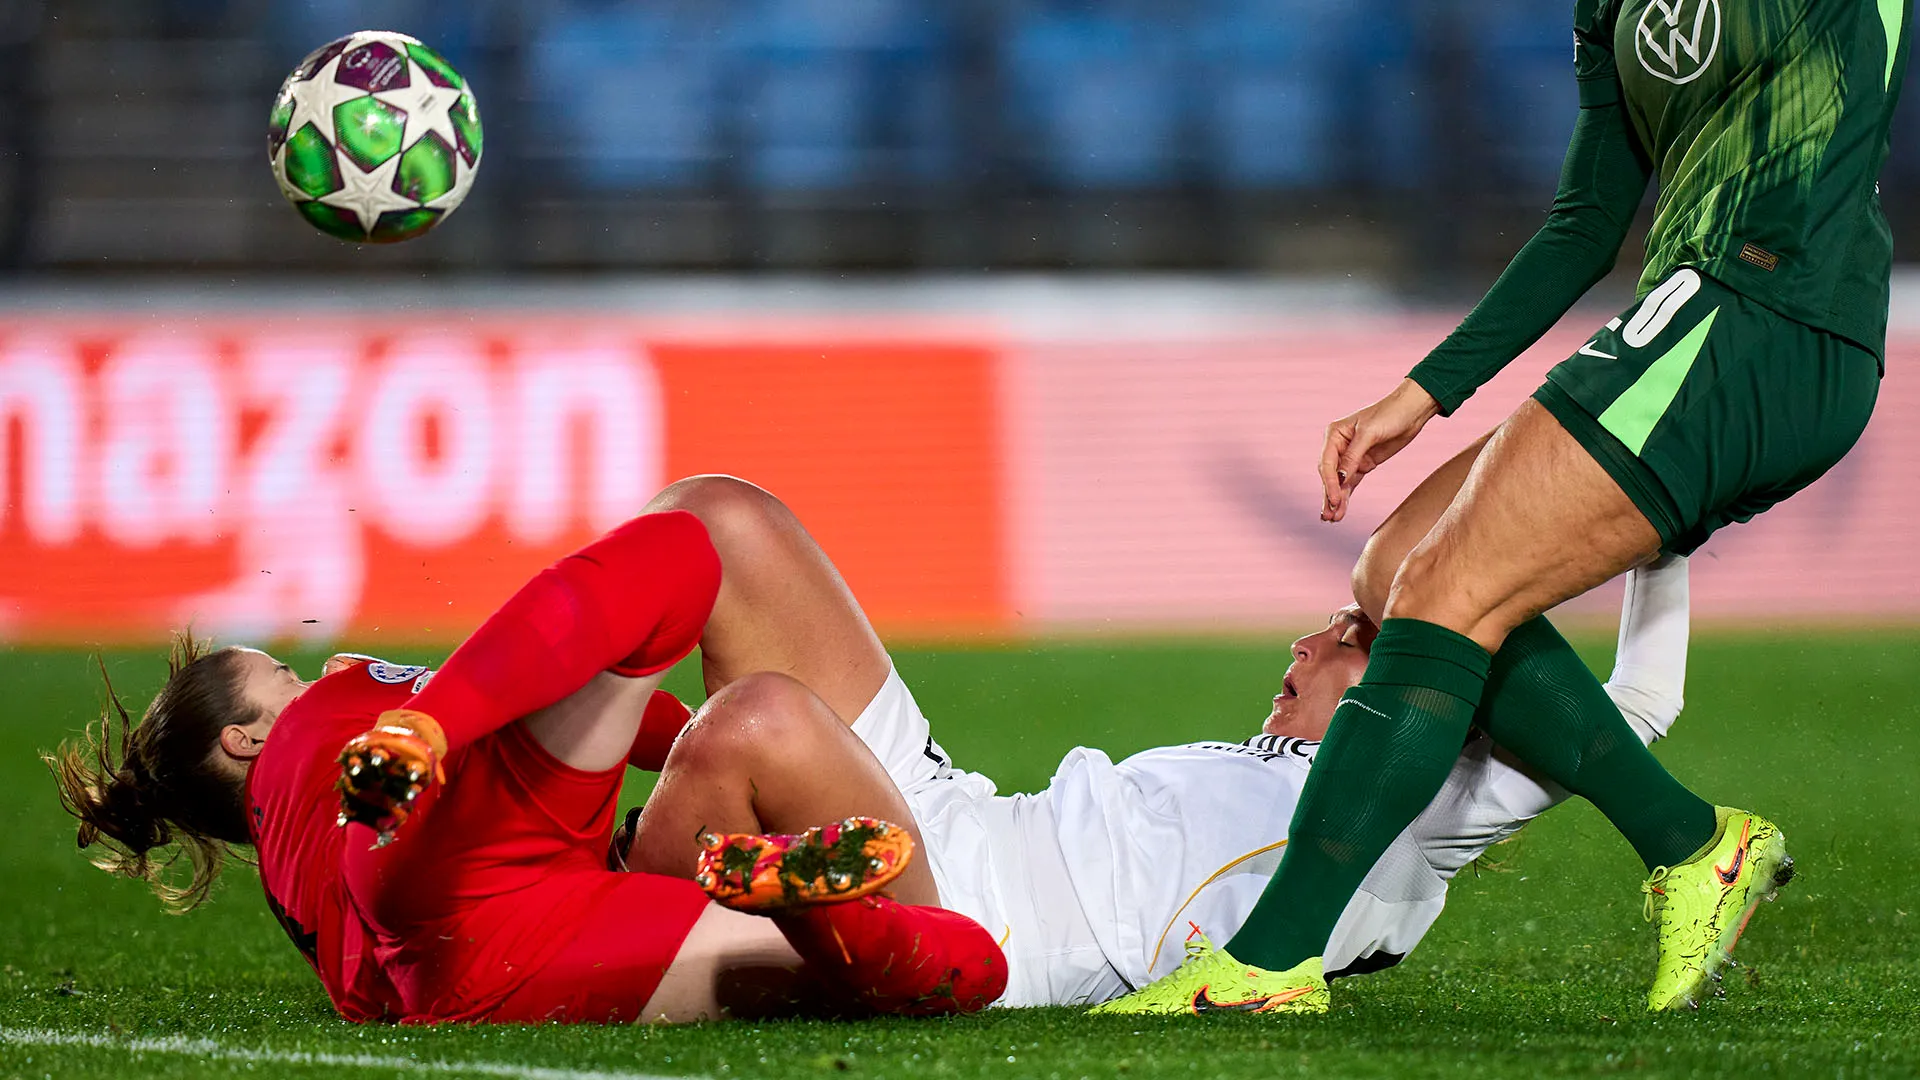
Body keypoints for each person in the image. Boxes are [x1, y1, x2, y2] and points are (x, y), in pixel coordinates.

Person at [1105, 0, 1906, 1016]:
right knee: (1396, 569)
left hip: (1763, 317)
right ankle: (1694, 843)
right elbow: (1587, 219)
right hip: (1684, 318)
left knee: (1444, 591)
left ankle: (1269, 963)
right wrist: (1423, 392)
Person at [608, 477, 1693, 1008]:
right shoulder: (1261, 760)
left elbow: (1636, 704)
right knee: (722, 517)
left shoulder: (1439, 802)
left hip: (962, 920)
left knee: (754, 724)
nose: (1308, 640)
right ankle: (522, 737)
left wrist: (1653, 518)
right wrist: (1532, 454)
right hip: (949, 808)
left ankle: (591, 914)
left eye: (1348, 636)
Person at [47, 506, 1009, 1024]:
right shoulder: (327, 718)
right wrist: (429, 722)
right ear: (242, 738)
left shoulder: (289, 877)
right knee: (682, 547)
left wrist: (699, 758)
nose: (306, 672)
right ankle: (413, 759)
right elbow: (538, 680)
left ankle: (819, 910)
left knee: (969, 968)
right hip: (424, 863)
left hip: (481, 973)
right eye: (278, 674)